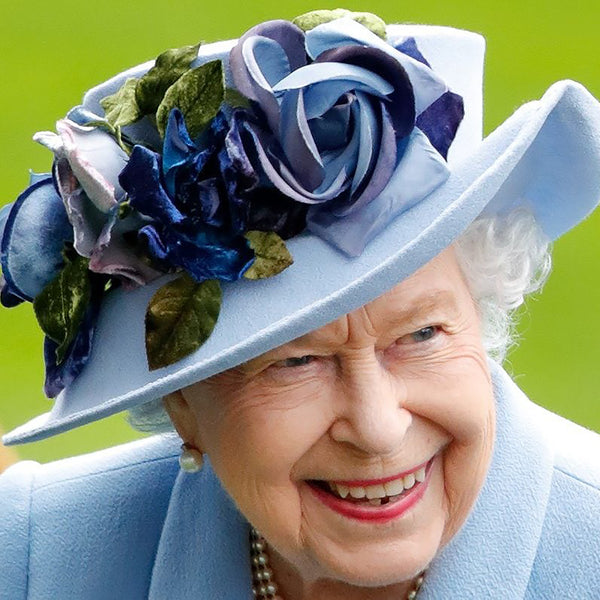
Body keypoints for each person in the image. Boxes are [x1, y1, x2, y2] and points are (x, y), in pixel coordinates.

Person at [1, 9, 599, 599]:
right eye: (294, 362)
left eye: (422, 335)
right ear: (182, 402)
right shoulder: (33, 561)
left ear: (480, 315)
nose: (378, 429)